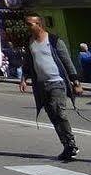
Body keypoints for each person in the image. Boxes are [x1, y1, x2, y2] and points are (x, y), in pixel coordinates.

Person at [21, 14, 81, 162]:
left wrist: (76, 82)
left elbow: (67, 61)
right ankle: (67, 146)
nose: (28, 27)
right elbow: (28, 63)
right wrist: (23, 79)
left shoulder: (54, 41)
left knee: (59, 113)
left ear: (39, 24)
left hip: (57, 82)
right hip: (41, 84)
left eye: (30, 24)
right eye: (27, 24)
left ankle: (72, 145)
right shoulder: (30, 42)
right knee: (53, 115)